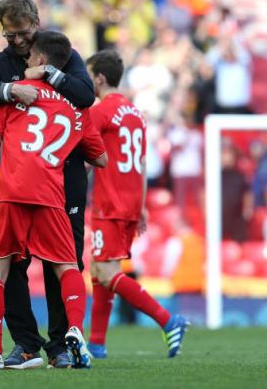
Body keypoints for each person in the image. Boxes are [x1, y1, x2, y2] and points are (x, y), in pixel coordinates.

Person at [0, 0, 95, 369]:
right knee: (15, 268)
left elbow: (86, 95)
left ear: (35, 24)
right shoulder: (1, 63)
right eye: (9, 34)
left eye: (22, 33)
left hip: (65, 176)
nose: (16, 41)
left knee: (62, 264)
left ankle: (59, 345)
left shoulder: (62, 54)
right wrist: (11, 88)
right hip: (21, 176)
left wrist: (45, 75)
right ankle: (25, 343)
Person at [84, 49, 189, 359]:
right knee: (99, 268)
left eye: (89, 77)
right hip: (131, 202)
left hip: (110, 202)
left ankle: (168, 320)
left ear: (99, 78)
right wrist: (141, 206)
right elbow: (141, 163)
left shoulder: (100, 112)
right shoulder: (135, 113)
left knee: (106, 272)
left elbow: (86, 152)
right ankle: (97, 344)